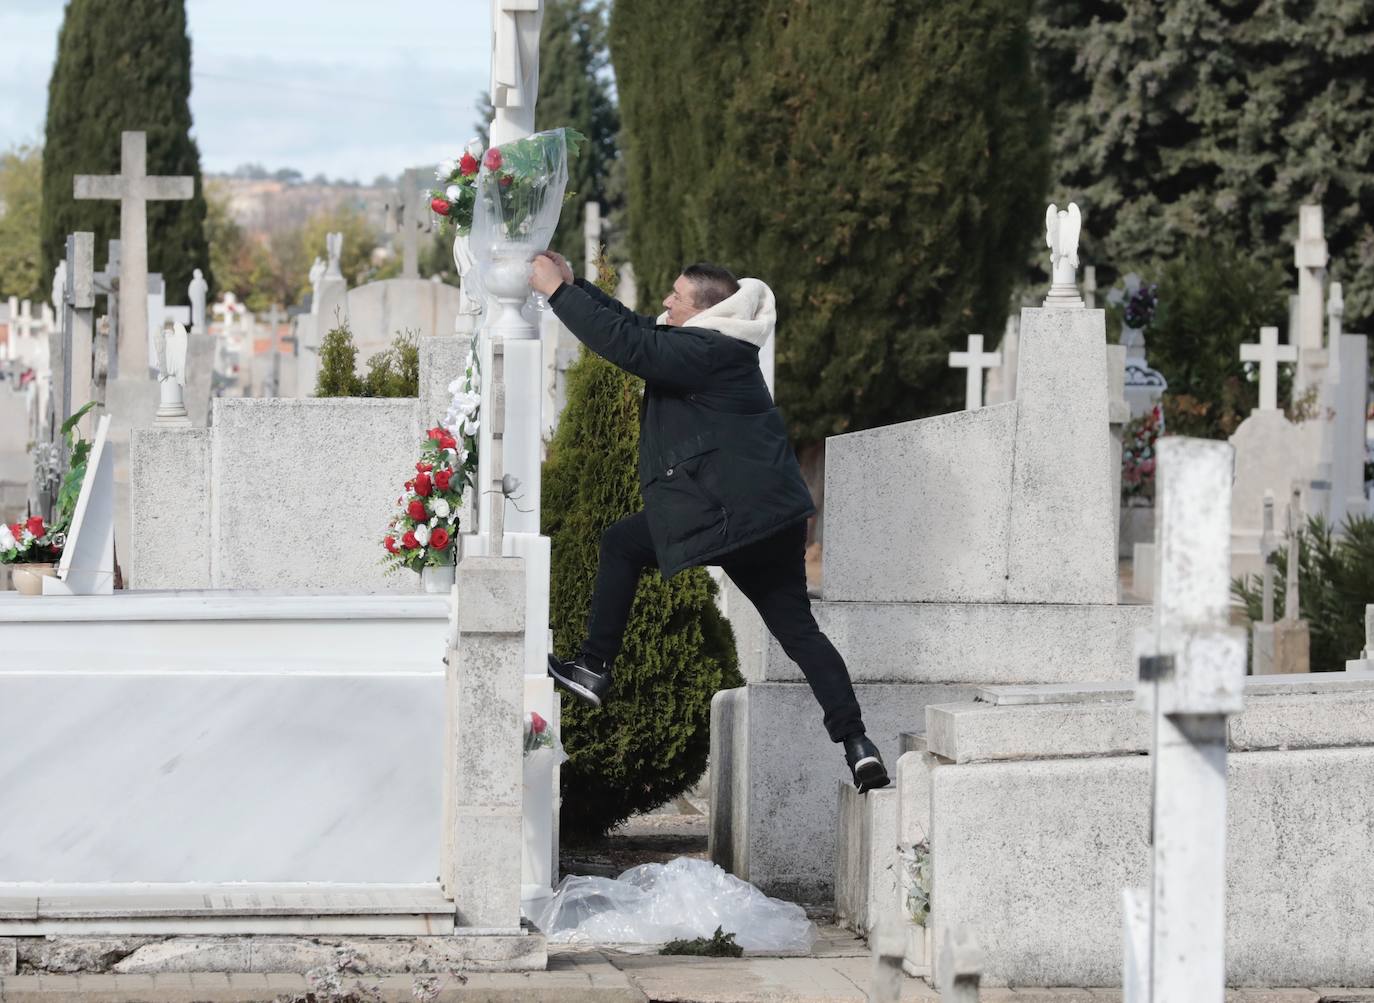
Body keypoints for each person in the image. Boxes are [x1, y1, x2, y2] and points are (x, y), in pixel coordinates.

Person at [530, 251, 890, 793]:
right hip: (774, 520)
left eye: (676, 297)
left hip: (728, 516)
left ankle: (593, 668)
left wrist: (558, 295)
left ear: (703, 311)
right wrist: (577, 285)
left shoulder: (705, 348)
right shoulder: (718, 342)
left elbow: (629, 346)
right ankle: (857, 745)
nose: (666, 302)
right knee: (801, 634)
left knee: (623, 543)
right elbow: (636, 327)